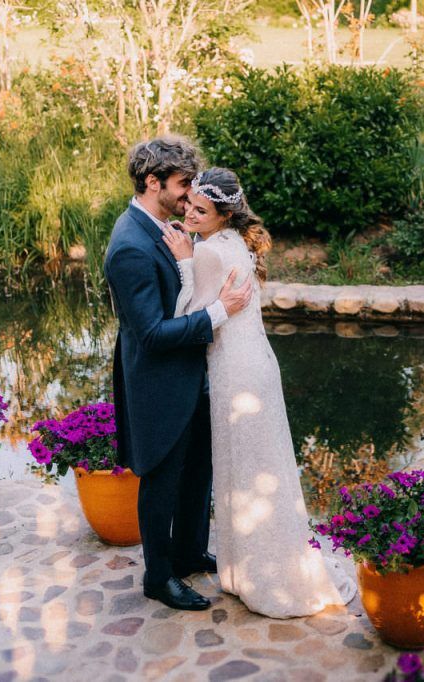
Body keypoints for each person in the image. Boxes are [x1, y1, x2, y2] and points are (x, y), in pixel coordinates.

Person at [160, 167, 355, 617]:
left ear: (223, 214)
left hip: (236, 373)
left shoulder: (208, 254)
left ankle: (265, 576)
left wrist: (185, 262)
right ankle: (249, 569)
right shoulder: (235, 243)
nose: (189, 212)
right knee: (258, 467)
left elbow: (185, 317)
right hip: (257, 367)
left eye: (200, 210)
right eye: (189, 203)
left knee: (244, 470)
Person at [103, 138, 254, 611]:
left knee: (197, 473)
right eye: (184, 184)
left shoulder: (162, 227)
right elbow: (150, 333)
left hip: (193, 375)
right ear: (153, 182)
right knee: (162, 481)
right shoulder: (129, 245)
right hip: (159, 382)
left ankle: (189, 551)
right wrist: (219, 312)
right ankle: (158, 576)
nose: (191, 195)